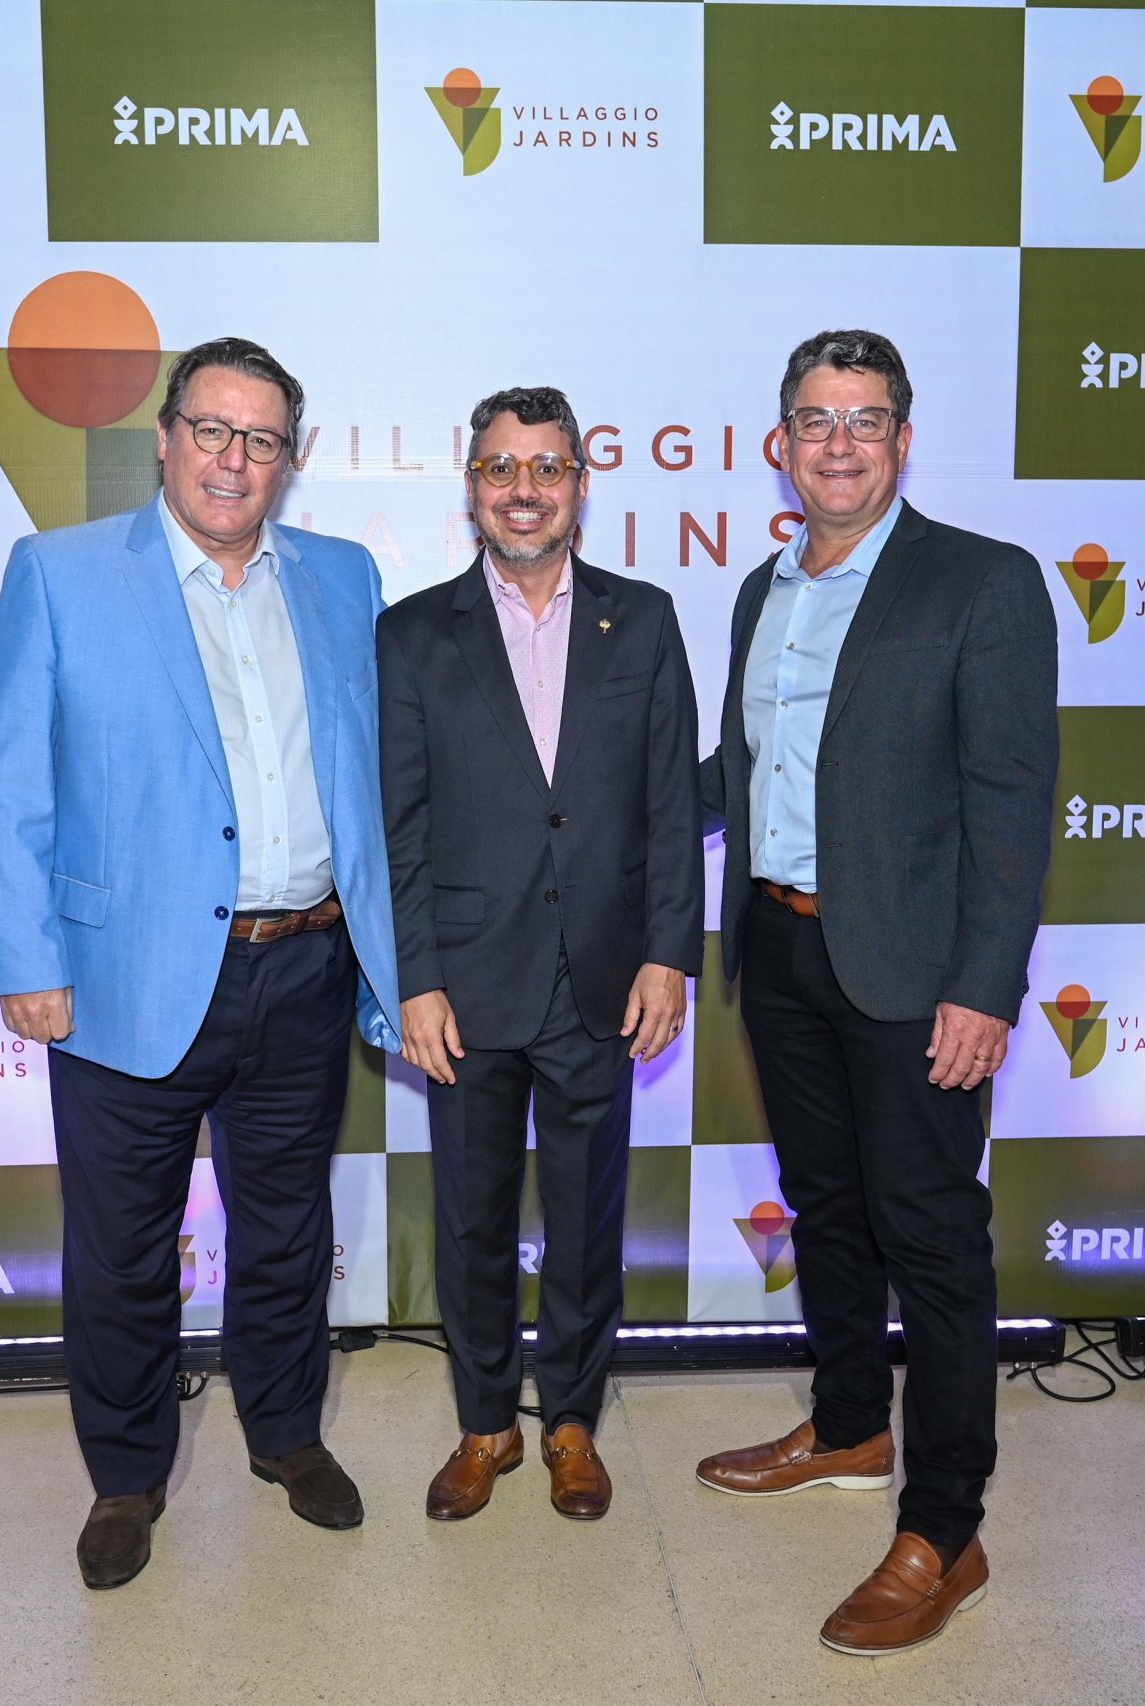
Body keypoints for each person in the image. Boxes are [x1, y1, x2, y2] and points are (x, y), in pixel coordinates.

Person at [0, 336, 401, 1590]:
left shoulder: (342, 576)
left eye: (260, 439)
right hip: (122, 978)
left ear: (288, 459)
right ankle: (126, 1475)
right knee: (121, 1246)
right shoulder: (58, 573)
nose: (232, 459)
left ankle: (285, 1433)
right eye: (211, 430)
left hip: (305, 963)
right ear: (163, 438)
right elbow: (4, 786)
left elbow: (370, 771)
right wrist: (25, 958)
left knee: (287, 1227)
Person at [693, 330, 1059, 1656]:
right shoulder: (763, 588)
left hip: (914, 976)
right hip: (782, 953)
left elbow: (1012, 799)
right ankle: (850, 1425)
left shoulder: (983, 580)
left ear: (902, 440)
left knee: (934, 1243)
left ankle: (946, 1530)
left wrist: (984, 985)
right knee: (829, 1210)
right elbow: (741, 771)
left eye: (863, 419)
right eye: (815, 418)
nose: (837, 443)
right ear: (779, 444)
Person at [379, 386, 702, 1523]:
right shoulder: (412, 633)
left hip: (602, 979)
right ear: (471, 486)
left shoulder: (643, 618)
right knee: (470, 1220)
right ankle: (485, 1423)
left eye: (547, 468)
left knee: (585, 1216)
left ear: (580, 483)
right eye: (501, 468)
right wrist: (415, 977)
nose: (524, 490)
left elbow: (672, 803)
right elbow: (397, 826)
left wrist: (669, 955)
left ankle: (569, 1420)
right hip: (464, 985)